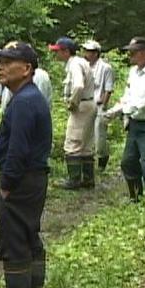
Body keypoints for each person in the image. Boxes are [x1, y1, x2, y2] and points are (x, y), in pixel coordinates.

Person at [0, 41, 52, 288]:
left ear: (26, 68)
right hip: (33, 178)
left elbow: (18, 149)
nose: (1, 68)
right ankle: (33, 286)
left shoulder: (24, 101)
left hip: (22, 180)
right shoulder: (27, 97)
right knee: (28, 231)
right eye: (1, 62)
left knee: (13, 236)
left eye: (8, 63)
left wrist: (6, 186)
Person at [104, 37, 145, 208]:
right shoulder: (133, 72)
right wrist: (114, 111)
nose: (130, 55)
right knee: (128, 162)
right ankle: (136, 198)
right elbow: (128, 96)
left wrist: (130, 108)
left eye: (134, 52)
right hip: (135, 123)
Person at [49, 36, 97, 189]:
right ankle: (88, 179)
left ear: (66, 51)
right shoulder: (82, 62)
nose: (56, 54)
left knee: (72, 143)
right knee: (86, 144)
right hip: (89, 103)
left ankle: (74, 180)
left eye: (58, 51)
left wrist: (72, 103)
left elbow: (78, 86)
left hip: (81, 106)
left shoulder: (75, 65)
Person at [81, 40, 115, 172]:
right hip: (86, 104)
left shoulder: (105, 68)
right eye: (86, 51)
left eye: (89, 51)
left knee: (99, 135)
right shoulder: (84, 66)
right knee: (86, 135)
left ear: (96, 53)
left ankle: (102, 160)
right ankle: (89, 162)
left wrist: (104, 103)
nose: (86, 54)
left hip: (99, 104)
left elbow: (108, 88)